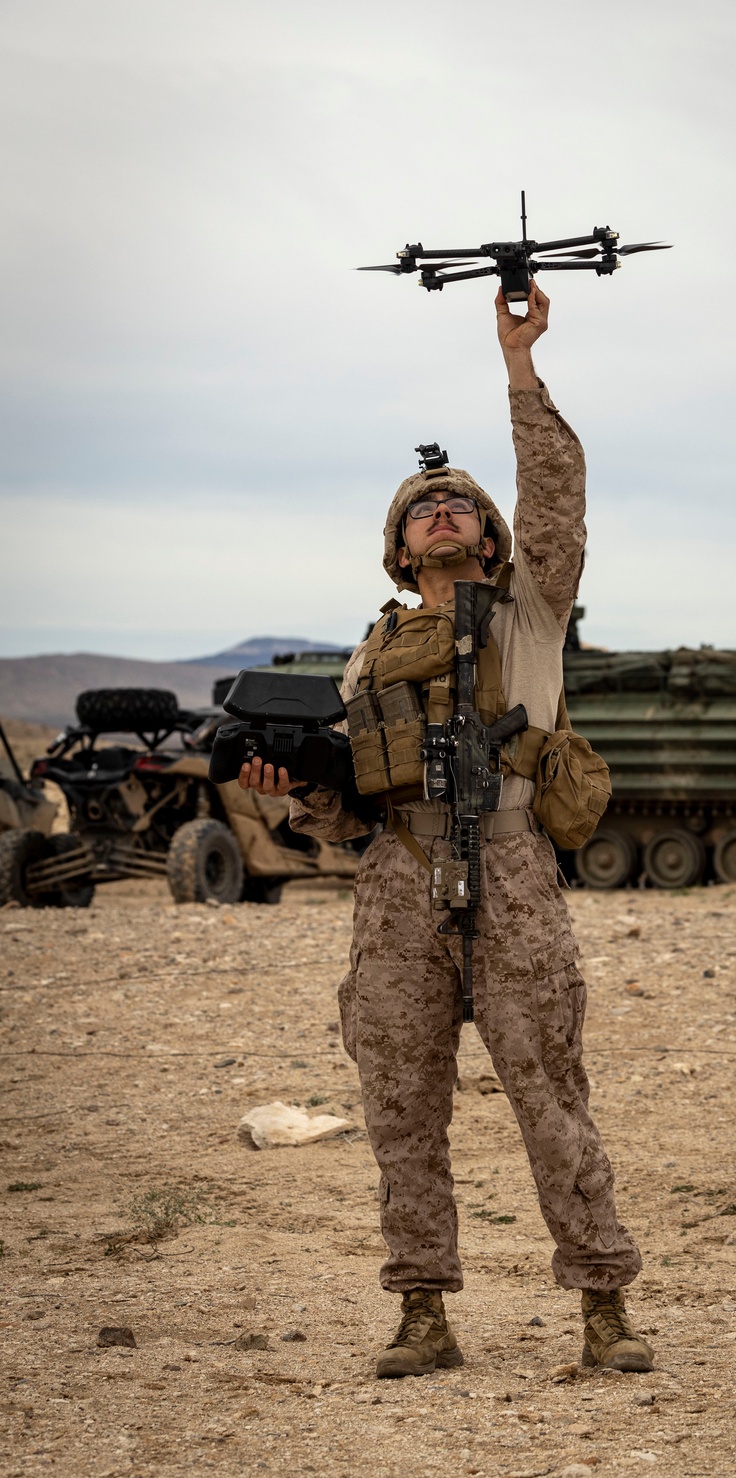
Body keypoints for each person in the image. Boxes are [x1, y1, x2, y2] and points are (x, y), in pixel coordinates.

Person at [240, 283, 652, 1379]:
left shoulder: (529, 613)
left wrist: (519, 368)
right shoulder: (367, 655)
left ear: (488, 533)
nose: (439, 510)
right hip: (395, 880)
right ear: (396, 547)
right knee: (401, 1110)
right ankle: (422, 1311)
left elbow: (557, 501)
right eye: (420, 506)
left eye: (458, 502)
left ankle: (603, 1308)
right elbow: (340, 821)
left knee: (550, 1098)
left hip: (511, 865)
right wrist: (305, 792)